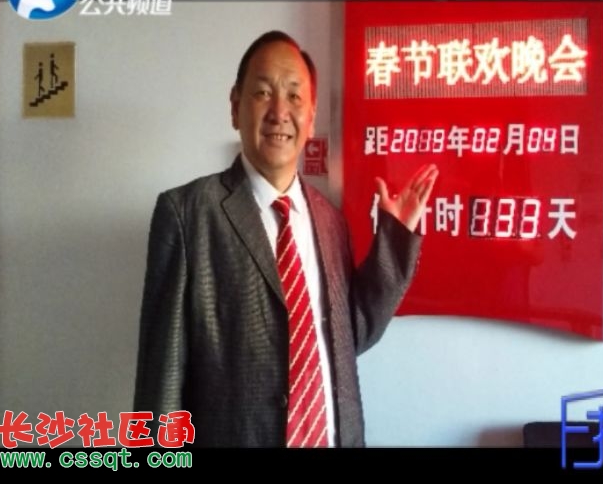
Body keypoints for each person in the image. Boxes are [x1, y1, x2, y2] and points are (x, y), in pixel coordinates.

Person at [133, 30, 438, 447]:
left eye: (295, 96)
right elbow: (162, 380)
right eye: (262, 93)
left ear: (311, 117)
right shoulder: (188, 214)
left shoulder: (331, 221)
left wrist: (394, 238)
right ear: (235, 106)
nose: (280, 111)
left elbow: (349, 337)